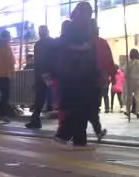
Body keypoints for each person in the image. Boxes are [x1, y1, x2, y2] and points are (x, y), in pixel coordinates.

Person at [53, 8, 101, 149]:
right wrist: (81, 48)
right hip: (76, 76)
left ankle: (79, 139)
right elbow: (65, 47)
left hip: (84, 76)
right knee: (81, 108)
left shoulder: (84, 31)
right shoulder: (72, 29)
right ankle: (64, 134)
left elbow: (91, 56)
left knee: (83, 108)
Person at [25, 25, 54, 129]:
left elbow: (38, 61)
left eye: (41, 31)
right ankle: (35, 118)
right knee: (42, 97)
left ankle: (35, 119)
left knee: (40, 98)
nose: (40, 33)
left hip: (44, 73)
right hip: (47, 74)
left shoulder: (39, 44)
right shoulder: (51, 42)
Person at [124, 49, 139, 119]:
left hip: (130, 81)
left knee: (129, 97)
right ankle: (137, 111)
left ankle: (128, 111)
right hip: (138, 81)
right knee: (138, 97)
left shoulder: (128, 62)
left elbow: (125, 73)